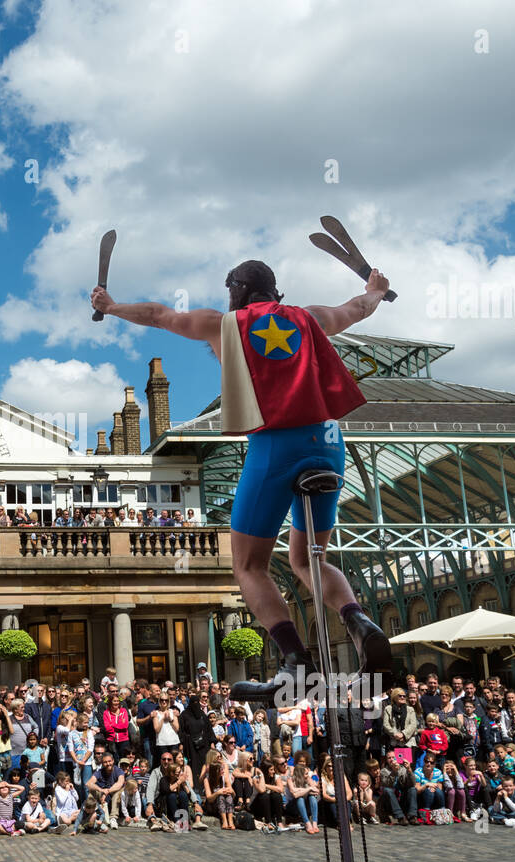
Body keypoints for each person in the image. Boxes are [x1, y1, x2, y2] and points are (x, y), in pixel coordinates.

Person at [93, 261, 395, 701]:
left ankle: (295, 662)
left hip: (276, 444)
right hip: (329, 442)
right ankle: (359, 621)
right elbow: (358, 307)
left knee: (249, 564)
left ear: (236, 290)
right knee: (310, 559)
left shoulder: (223, 324)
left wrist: (112, 305)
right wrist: (375, 288)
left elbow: (159, 315)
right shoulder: (311, 317)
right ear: (275, 289)